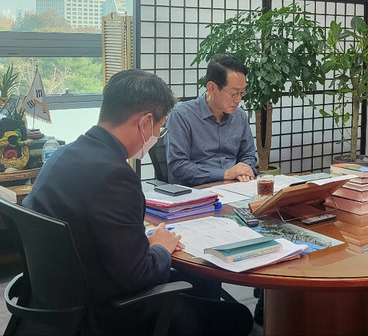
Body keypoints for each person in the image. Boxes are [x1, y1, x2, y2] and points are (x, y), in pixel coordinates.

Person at [23, 69, 253, 335]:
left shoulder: (62, 155)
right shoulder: (115, 176)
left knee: (195, 282)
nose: (157, 134)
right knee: (238, 317)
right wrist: (161, 247)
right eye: (159, 126)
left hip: (58, 302)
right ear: (145, 122)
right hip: (109, 314)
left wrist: (146, 245)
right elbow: (137, 275)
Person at [167, 54, 257, 186]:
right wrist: (225, 174)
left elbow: (248, 155)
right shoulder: (182, 116)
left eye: (242, 93)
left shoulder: (239, 116)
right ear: (212, 88)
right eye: (234, 93)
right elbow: (178, 166)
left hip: (235, 185)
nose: (238, 99)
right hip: (197, 190)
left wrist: (244, 171)